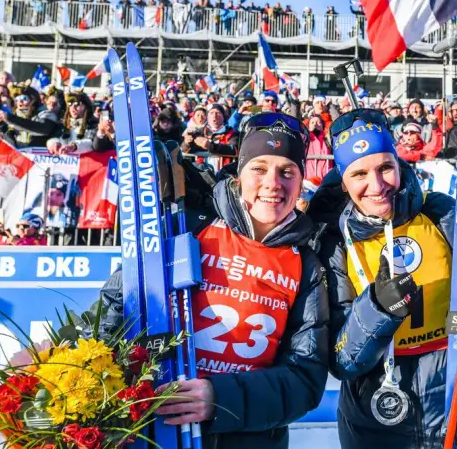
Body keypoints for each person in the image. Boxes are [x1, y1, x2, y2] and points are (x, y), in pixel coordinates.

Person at [80, 112, 329, 448]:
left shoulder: (307, 263)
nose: (273, 183)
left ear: (301, 183)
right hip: (157, 429)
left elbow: (305, 380)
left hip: (249, 439)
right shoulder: (189, 230)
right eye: (259, 168)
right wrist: (66, 361)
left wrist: (219, 397)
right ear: (239, 177)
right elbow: (111, 312)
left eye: (288, 172)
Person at [308, 109, 457, 449]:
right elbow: (342, 361)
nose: (377, 185)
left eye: (385, 167)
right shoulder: (334, 240)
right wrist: (378, 309)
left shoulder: (440, 213)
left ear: (399, 164)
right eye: (359, 174)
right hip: (378, 424)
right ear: (343, 181)